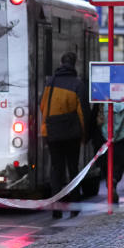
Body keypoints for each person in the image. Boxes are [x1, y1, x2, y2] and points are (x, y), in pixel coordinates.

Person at [40, 51, 89, 218]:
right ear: (74, 64)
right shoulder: (78, 85)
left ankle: (56, 209)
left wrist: (46, 129)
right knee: (73, 169)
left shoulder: (50, 83)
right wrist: (84, 135)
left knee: (56, 170)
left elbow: (43, 106)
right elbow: (82, 113)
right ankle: (74, 207)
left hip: (53, 133)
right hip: (72, 134)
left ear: (61, 63)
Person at [92, 101, 124, 203]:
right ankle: (113, 181)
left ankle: (109, 182)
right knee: (118, 165)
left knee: (105, 165)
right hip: (120, 141)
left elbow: (92, 121)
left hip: (103, 141)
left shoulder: (99, 103)